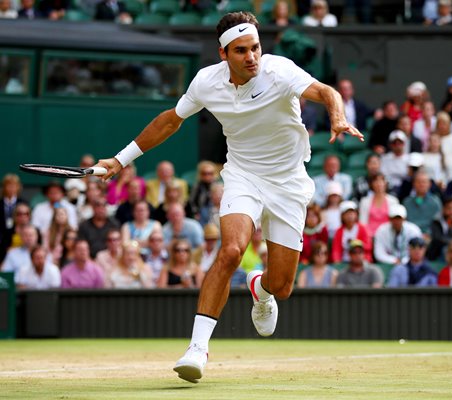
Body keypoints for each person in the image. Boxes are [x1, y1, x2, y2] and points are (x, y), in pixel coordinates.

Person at [93, 11, 363, 383]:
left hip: (288, 183)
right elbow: (171, 120)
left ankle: (259, 287)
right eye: (241, 51)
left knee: (282, 287)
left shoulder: (279, 70)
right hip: (243, 176)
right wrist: (121, 161)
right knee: (231, 250)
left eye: (255, 48)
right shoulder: (207, 82)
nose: (251, 56)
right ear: (224, 55)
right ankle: (197, 348)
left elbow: (325, 92)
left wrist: (337, 116)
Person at [358, 173, 399, 239]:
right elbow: (362, 223)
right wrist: (368, 237)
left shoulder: (394, 201)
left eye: (381, 180)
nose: (379, 183)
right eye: (376, 181)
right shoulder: (364, 201)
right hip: (369, 237)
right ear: (371, 184)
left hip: (388, 237)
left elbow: (395, 221)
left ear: (385, 183)